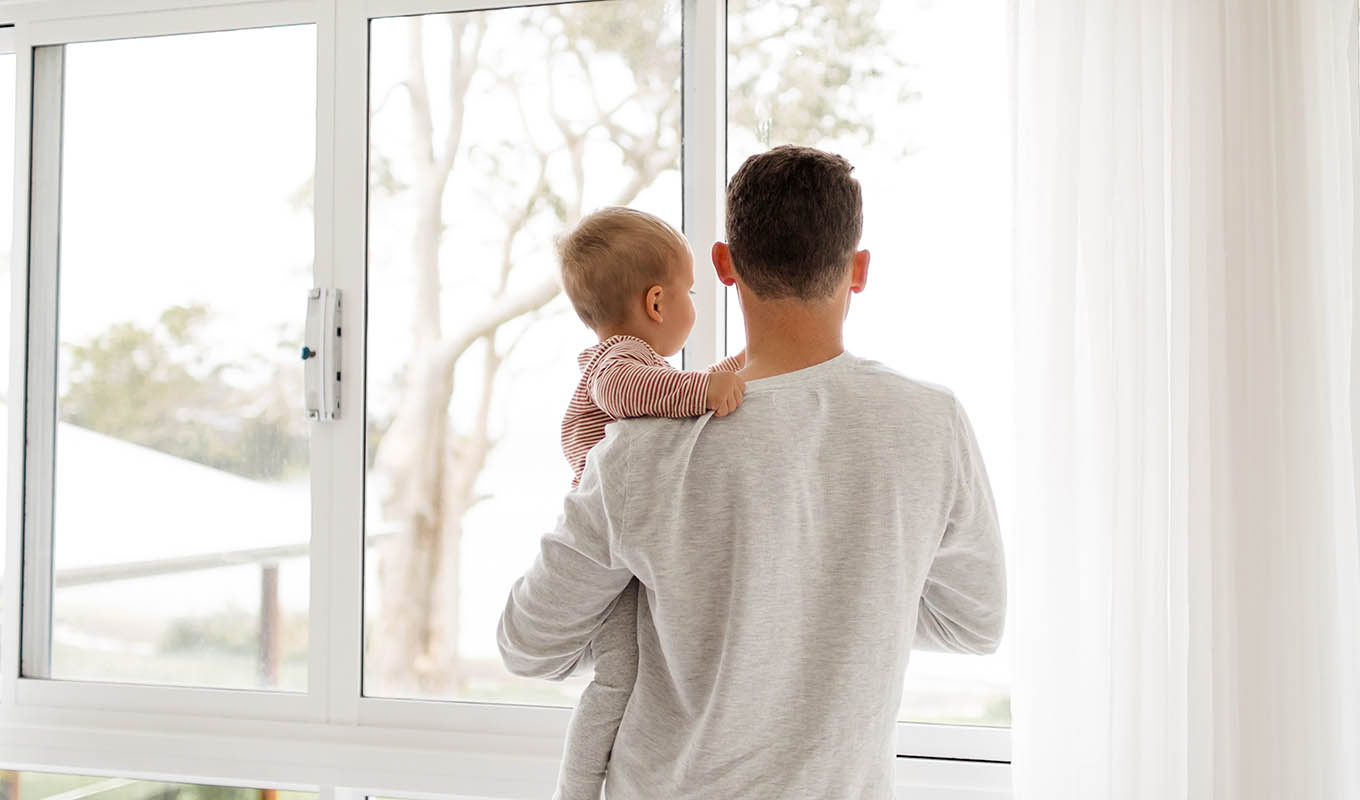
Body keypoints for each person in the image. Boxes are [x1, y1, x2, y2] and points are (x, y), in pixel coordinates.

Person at [498, 145, 1007, 799]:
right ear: (858, 271)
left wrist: (714, 614)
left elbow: (528, 643)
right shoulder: (933, 424)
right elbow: (974, 624)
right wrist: (835, 607)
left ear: (723, 265)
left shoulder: (639, 448)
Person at [552, 206, 747, 800]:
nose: (694, 303)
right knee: (616, 681)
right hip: (610, 557)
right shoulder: (618, 365)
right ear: (658, 304)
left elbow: (673, 390)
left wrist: (745, 365)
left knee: (635, 674)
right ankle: (577, 790)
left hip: (629, 554)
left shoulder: (639, 365)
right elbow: (633, 392)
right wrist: (707, 388)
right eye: (690, 291)